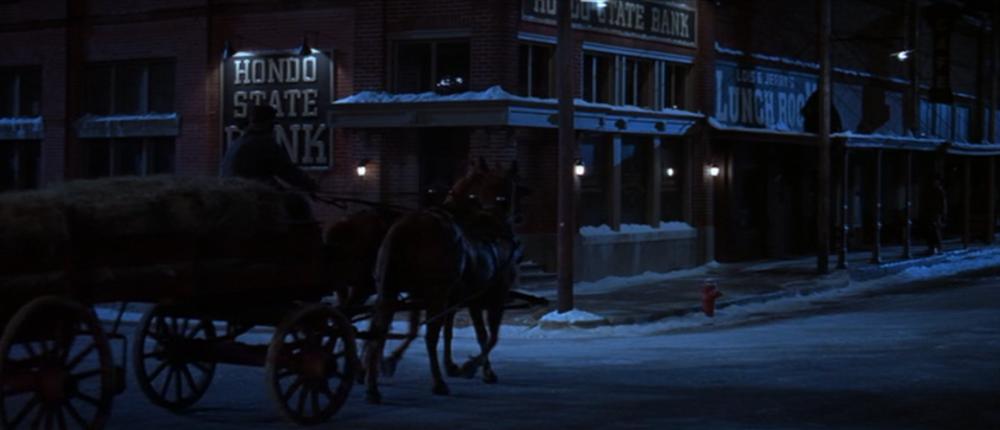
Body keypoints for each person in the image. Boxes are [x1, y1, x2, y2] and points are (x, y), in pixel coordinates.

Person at [220, 105, 318, 219]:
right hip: (252, 195)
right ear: (270, 123)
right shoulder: (264, 143)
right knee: (297, 205)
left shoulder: (237, 143)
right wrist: (310, 186)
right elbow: (288, 171)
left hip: (231, 194)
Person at [921, 176, 947, 255]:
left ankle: (938, 247)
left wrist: (943, 213)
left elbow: (943, 203)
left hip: (936, 213)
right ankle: (932, 247)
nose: (935, 183)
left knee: (935, 230)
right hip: (931, 212)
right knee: (931, 230)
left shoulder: (940, 191)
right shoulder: (932, 191)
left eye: (936, 181)